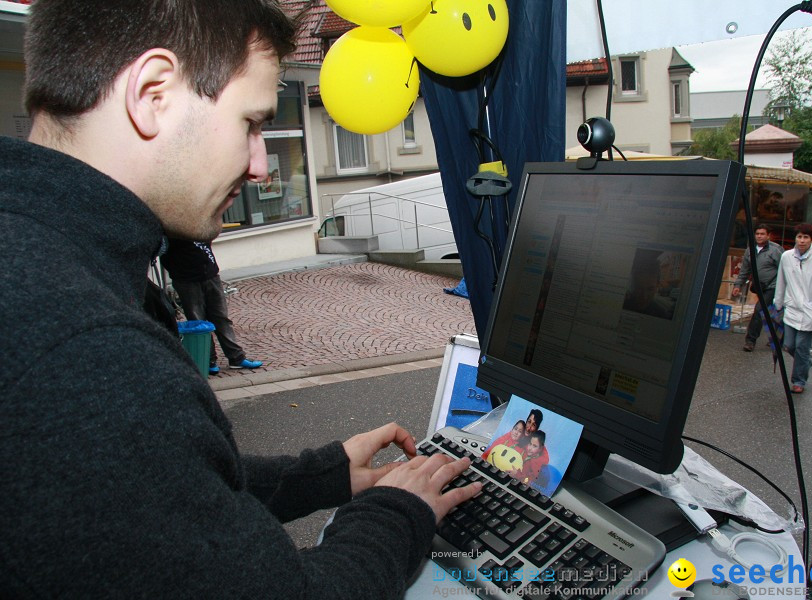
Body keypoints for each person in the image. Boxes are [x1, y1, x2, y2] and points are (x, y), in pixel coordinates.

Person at [0, 1, 479, 597]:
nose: (260, 165)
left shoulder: (40, 259)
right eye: (251, 124)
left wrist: (323, 477)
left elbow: (156, 492)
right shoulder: (87, 352)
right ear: (153, 94)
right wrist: (395, 508)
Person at [161, 238, 264, 374]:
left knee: (221, 318)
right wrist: (179, 272)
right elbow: (164, 254)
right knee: (198, 321)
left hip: (210, 275)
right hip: (187, 280)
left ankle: (236, 358)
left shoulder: (199, 224)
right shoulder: (171, 230)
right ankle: (209, 360)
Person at [774, 223, 812, 394]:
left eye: (805, 237)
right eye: (799, 237)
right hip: (792, 308)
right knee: (789, 345)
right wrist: (778, 303)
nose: (802, 241)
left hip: (809, 312)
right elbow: (781, 281)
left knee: (801, 346)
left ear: (811, 239)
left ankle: (799, 380)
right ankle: (805, 362)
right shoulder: (786, 257)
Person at [731, 224, 785, 352]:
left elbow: (785, 269)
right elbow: (744, 270)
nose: (759, 236)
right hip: (759, 286)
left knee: (759, 310)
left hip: (773, 286)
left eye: (762, 234)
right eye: (757, 234)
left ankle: (750, 340)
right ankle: (780, 337)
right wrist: (738, 285)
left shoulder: (775, 250)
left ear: (768, 235)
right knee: (771, 312)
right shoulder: (750, 251)